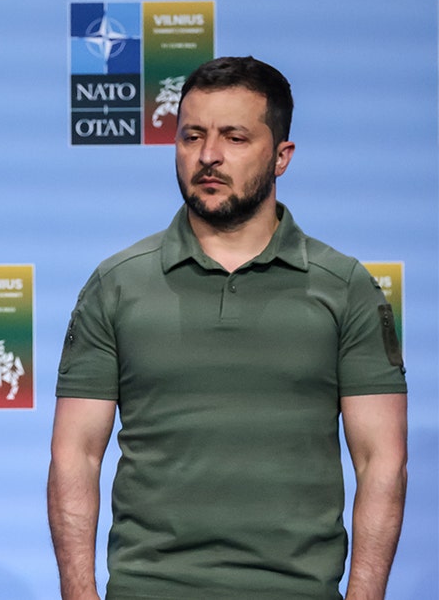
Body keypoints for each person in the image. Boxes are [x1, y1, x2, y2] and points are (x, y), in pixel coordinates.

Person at [47, 56, 407, 600]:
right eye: (192, 136)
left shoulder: (345, 287)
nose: (208, 156)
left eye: (235, 138)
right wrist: (79, 593)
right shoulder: (116, 284)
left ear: (281, 156)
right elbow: (76, 455)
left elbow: (383, 461)